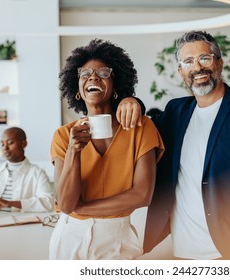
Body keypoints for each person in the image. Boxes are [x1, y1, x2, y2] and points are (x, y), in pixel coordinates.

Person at [117, 30, 230, 259]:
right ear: (181, 72)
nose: (197, 67)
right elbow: (142, 125)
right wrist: (131, 100)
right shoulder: (175, 112)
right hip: (182, 252)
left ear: (219, 63)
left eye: (205, 58)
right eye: (188, 61)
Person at [50, 38, 164, 260]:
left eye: (103, 73)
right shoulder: (64, 136)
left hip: (117, 240)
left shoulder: (141, 127)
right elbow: (65, 202)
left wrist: (81, 208)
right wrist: (74, 150)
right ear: (77, 90)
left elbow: (142, 195)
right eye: (85, 74)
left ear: (115, 86)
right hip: (68, 239)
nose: (93, 77)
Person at [0, 127, 54, 216]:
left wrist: (10, 203)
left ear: (24, 143)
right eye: (2, 144)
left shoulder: (37, 173)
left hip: (22, 225)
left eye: (10, 143)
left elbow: (48, 203)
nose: (5, 148)